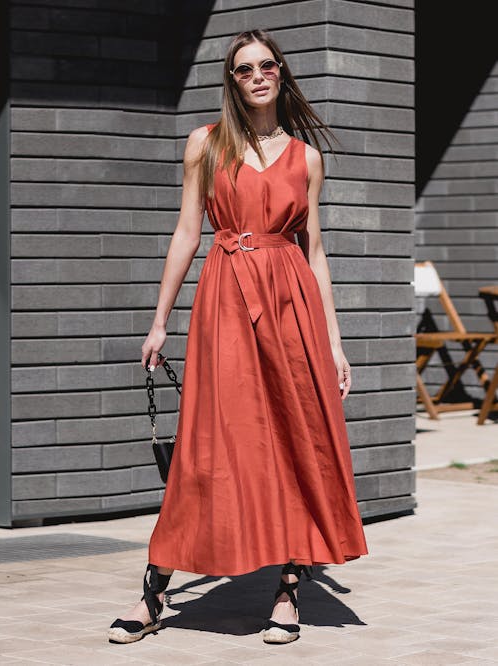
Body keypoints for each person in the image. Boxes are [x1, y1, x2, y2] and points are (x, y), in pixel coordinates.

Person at [108, 28, 368, 646]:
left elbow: (317, 251)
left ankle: (287, 590)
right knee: (206, 447)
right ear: (231, 80)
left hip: (291, 305)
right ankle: (154, 591)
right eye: (244, 68)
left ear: (281, 74)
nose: (257, 76)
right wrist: (159, 320)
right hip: (225, 302)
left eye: (267, 66)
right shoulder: (206, 143)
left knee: (292, 440)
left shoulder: (306, 156)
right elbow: (185, 234)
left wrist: (334, 343)